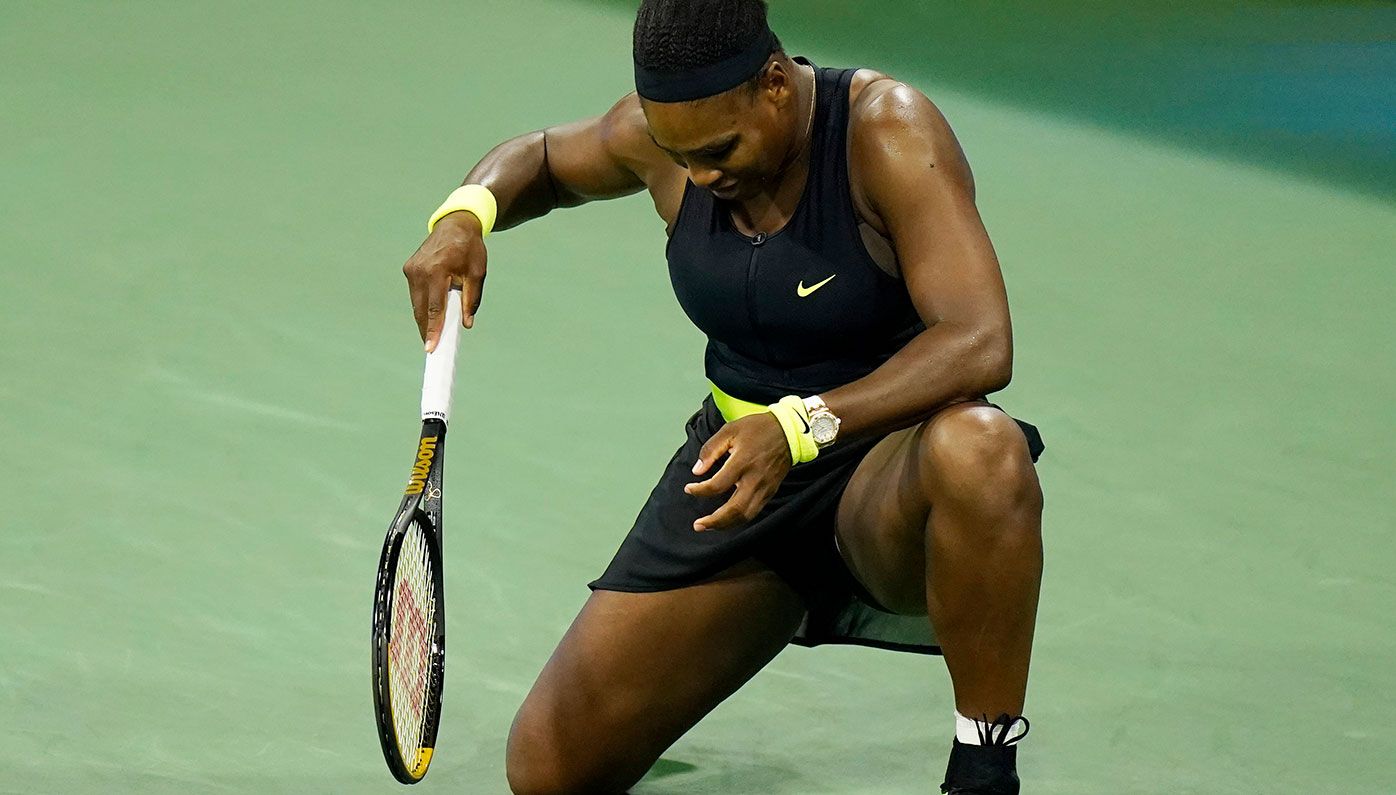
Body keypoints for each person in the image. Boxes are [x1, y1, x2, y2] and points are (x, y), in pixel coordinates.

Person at [401, 1, 1046, 792]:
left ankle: (984, 765)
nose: (701, 175)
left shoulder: (886, 129)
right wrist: (466, 214)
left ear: (774, 84)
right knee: (548, 771)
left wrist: (804, 424)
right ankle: (757, 606)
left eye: (718, 149)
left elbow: (981, 338)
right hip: (740, 476)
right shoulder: (671, 139)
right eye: (681, 155)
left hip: (885, 478)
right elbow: (540, 158)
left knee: (982, 447)